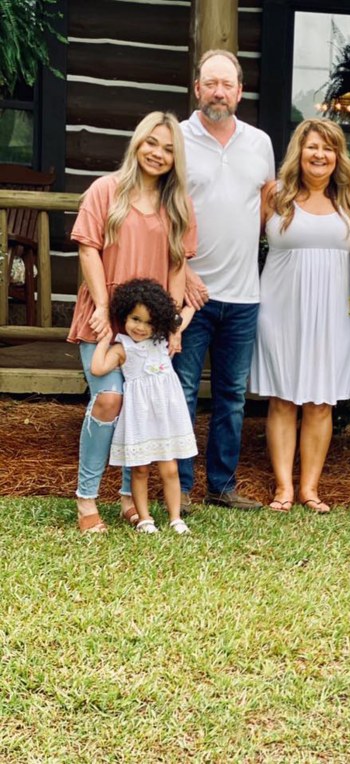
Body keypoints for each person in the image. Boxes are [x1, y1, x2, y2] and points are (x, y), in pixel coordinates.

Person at [67, 111, 196, 533]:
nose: (157, 154)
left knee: (143, 403)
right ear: (137, 143)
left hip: (147, 326)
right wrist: (103, 308)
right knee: (109, 399)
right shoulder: (106, 190)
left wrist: (171, 324)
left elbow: (178, 266)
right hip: (105, 318)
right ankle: (87, 499)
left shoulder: (177, 204)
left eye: (168, 149)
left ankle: (129, 496)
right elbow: (88, 249)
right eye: (151, 143)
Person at [175, 50, 275, 514]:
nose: (219, 91)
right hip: (189, 293)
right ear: (197, 88)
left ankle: (222, 485)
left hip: (243, 295)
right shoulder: (175, 138)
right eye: (210, 83)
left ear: (240, 91)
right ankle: (181, 486)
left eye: (227, 84)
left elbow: (266, 209)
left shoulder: (260, 143)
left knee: (232, 397)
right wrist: (181, 268)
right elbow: (161, 211)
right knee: (183, 391)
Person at [249, 119, 350, 514]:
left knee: (320, 402)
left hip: (332, 312)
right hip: (279, 309)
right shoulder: (275, 195)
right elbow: (245, 243)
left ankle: (310, 488)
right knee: (282, 399)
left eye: (328, 149)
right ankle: (283, 488)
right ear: (300, 150)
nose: (320, 155)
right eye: (313, 147)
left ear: (338, 156)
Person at [91, 279, 197, 534]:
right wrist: (104, 339)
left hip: (166, 415)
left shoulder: (164, 342)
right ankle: (145, 518)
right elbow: (97, 369)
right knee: (139, 468)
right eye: (135, 319)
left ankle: (175, 518)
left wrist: (179, 322)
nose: (140, 327)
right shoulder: (122, 348)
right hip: (139, 416)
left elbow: (189, 309)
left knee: (170, 467)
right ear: (124, 315)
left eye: (149, 322)